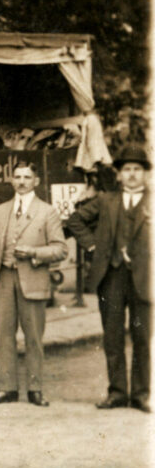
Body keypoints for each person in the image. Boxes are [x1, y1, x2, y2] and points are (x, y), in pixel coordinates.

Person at [66, 145, 151, 413]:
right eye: (127, 169)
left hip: (146, 278)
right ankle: (116, 393)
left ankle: (141, 394)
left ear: (145, 174)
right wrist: (93, 247)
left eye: (137, 169)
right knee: (112, 337)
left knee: (143, 337)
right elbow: (75, 220)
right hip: (111, 277)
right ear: (119, 174)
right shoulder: (106, 200)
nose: (132, 174)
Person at [0, 161, 67, 407]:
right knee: (4, 336)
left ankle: (35, 389)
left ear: (35, 181)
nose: (21, 182)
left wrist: (33, 252)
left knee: (34, 338)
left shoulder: (47, 211)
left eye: (27, 177)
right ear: (11, 181)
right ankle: (7, 388)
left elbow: (61, 250)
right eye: (17, 177)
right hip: (5, 279)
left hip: (34, 280)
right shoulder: (0, 210)